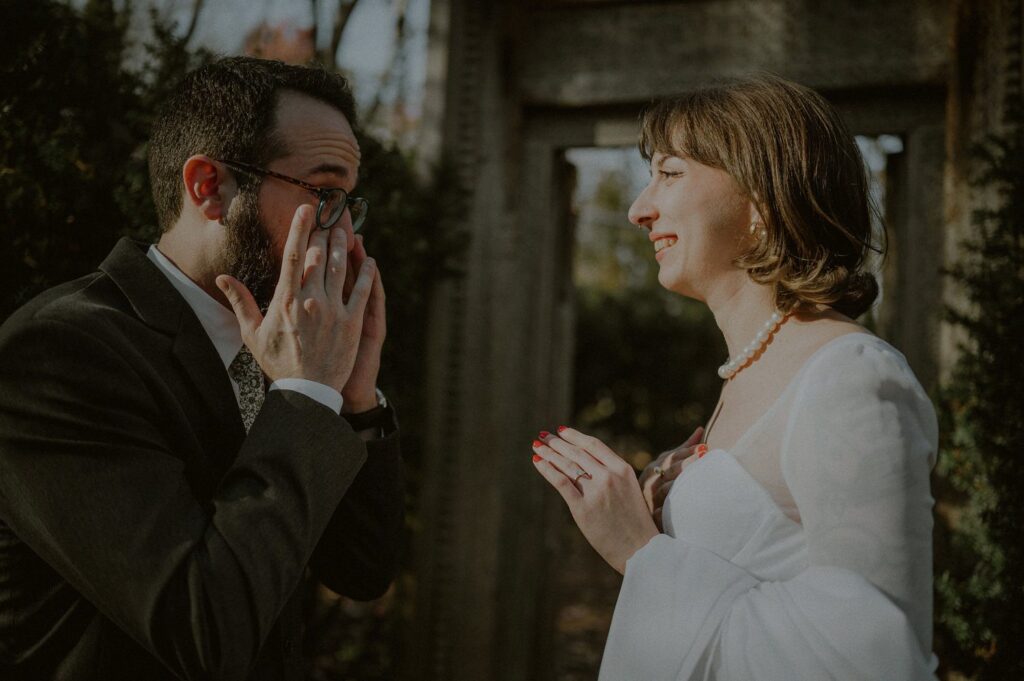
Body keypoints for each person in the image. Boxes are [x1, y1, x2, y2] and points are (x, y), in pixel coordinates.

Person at [0, 57, 403, 681]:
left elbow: (361, 569)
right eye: (324, 194)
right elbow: (203, 632)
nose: (344, 232)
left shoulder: (285, 346)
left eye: (350, 202)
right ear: (209, 186)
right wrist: (301, 397)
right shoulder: (59, 352)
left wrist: (352, 403)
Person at [531, 74, 938, 680]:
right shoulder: (745, 371)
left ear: (764, 200)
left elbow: (876, 658)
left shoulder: (851, 377)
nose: (639, 209)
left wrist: (640, 554)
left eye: (670, 174)